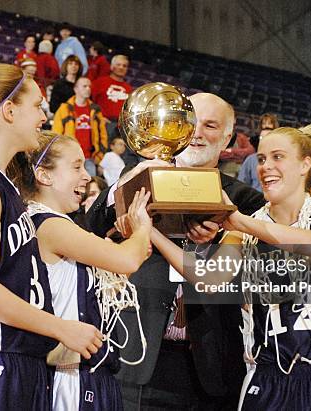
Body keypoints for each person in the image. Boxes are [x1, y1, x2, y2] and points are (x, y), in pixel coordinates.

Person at [149, 125, 311, 409]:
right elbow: (208, 280)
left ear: (305, 164)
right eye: (261, 159)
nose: (266, 167)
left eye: (278, 157)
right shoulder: (245, 230)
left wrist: (239, 220)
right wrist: (149, 230)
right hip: (268, 379)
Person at [0, 64, 103, 410]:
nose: (44, 115)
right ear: (9, 111)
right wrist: (62, 328)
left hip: (18, 360)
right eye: (38, 105)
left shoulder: (4, 185)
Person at [86, 93, 265, 410]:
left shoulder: (245, 201)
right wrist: (124, 189)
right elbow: (91, 228)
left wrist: (223, 232)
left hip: (211, 364)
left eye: (210, 126)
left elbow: (253, 275)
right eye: (191, 122)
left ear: (227, 137)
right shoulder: (139, 177)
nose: (197, 132)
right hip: (138, 350)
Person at [24, 132, 152, 410]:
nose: (86, 175)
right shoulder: (49, 225)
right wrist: (142, 228)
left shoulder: (50, 222)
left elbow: (103, 288)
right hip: (67, 374)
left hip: (82, 372)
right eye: (76, 166)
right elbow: (127, 260)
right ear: (44, 175)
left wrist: (134, 243)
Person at [51, 77, 108, 176]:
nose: (88, 89)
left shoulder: (95, 109)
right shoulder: (64, 108)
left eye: (89, 86)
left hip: (90, 158)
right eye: (84, 86)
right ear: (75, 89)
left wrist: (99, 157)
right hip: (69, 158)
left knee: (90, 188)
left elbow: (103, 135)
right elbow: (56, 135)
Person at [91, 55, 132, 143]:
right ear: (112, 67)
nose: (121, 67)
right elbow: (89, 102)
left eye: (124, 66)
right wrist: (99, 117)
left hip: (120, 128)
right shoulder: (99, 82)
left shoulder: (129, 89)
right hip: (103, 123)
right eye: (118, 64)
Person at [238, 113, 278, 191]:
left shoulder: (282, 160)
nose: (265, 140)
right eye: (262, 137)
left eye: (268, 137)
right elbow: (241, 183)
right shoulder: (251, 160)